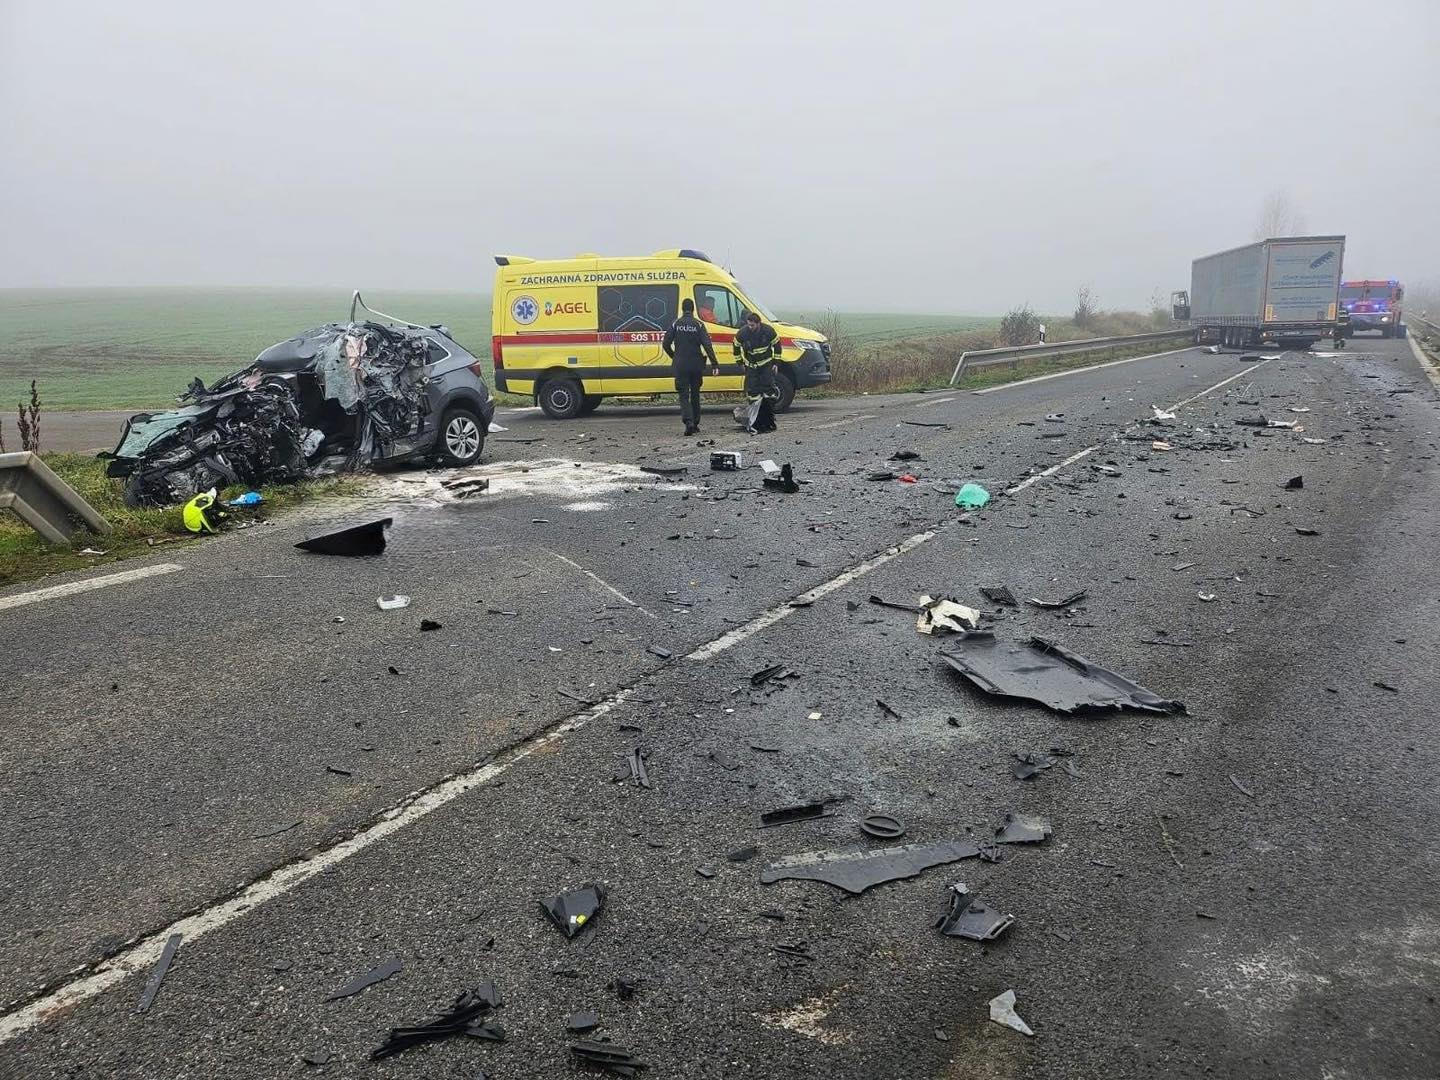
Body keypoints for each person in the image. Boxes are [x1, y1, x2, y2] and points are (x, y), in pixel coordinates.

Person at [662, 298, 719, 435]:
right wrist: (714, 363)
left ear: (682, 309)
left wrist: (674, 356)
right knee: (695, 394)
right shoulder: (698, 325)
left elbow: (665, 344)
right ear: (693, 309)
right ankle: (696, 422)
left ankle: (688, 422)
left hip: (680, 364)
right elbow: (707, 345)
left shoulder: (676, 324)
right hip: (696, 364)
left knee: (683, 395)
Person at [733, 310, 783, 434]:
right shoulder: (743, 333)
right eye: (748, 324)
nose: (750, 327)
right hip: (751, 366)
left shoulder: (768, 331)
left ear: (758, 323)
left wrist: (776, 363)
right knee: (753, 392)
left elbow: (777, 346)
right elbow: (735, 346)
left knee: (768, 391)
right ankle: (754, 420)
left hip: (766, 365)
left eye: (752, 325)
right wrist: (740, 363)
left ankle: (769, 419)